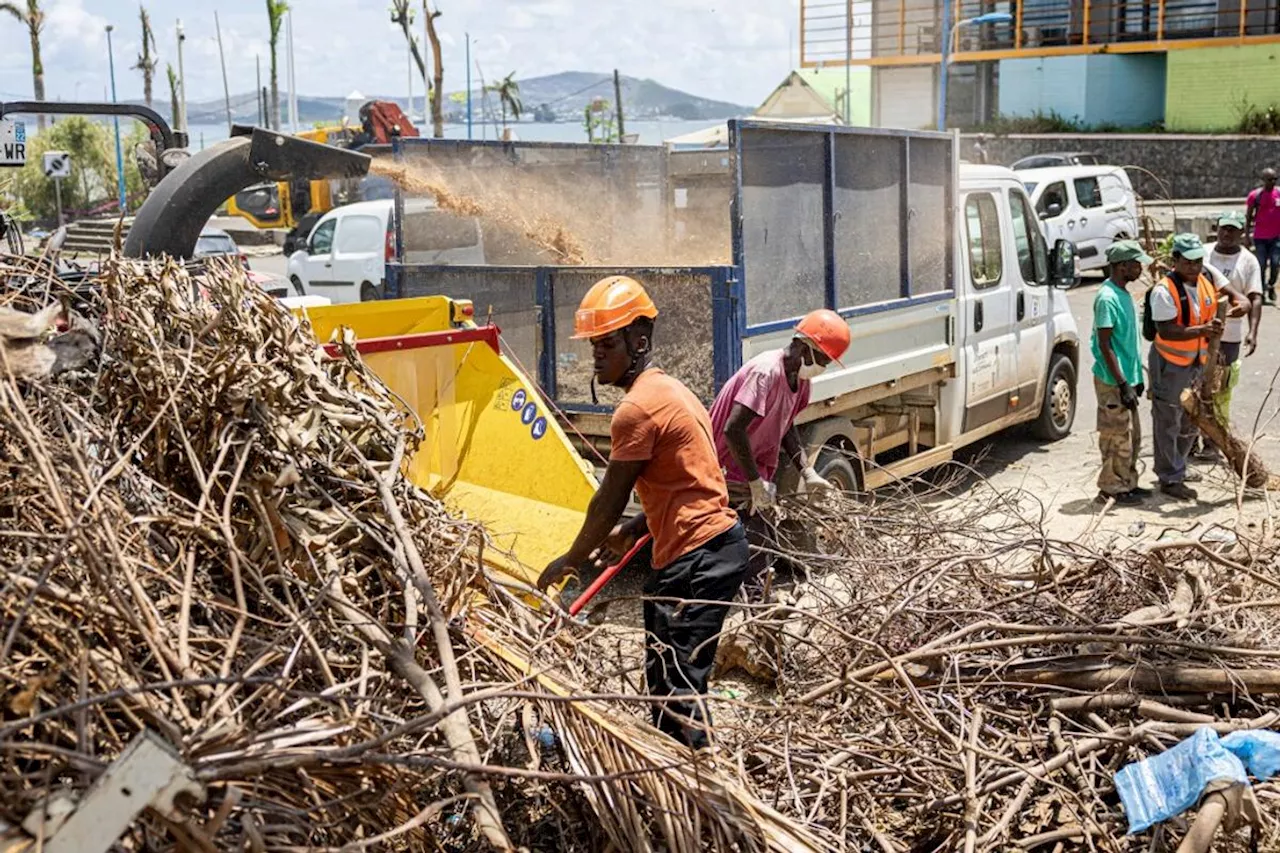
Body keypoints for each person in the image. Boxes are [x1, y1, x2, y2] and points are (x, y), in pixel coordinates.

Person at [537, 275, 747, 750]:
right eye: (593, 345)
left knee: (678, 689)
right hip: (703, 550)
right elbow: (686, 484)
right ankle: (672, 770)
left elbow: (607, 498)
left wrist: (571, 559)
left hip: (699, 557)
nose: (596, 355)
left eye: (606, 343)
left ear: (640, 340)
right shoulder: (672, 389)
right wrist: (635, 529)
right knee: (665, 673)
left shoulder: (637, 409)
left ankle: (696, 793)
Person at [708, 309, 851, 580]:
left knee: (758, 544)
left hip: (751, 469)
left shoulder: (800, 381)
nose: (823, 366)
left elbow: (786, 427)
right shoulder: (766, 373)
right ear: (805, 347)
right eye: (823, 359)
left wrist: (808, 471)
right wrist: (754, 482)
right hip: (724, 467)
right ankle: (748, 603)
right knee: (752, 544)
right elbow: (733, 429)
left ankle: (750, 599)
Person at [1147, 234, 1248, 500]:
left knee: (1192, 419)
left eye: (1198, 261)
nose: (1194, 266)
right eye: (1188, 262)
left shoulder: (1206, 280)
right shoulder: (1164, 291)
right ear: (1175, 261)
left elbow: (1237, 297)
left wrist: (1241, 305)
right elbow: (1167, 331)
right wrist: (1203, 329)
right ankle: (1169, 477)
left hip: (1197, 363)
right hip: (1170, 363)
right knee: (1168, 419)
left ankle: (1178, 467)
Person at [1091, 240, 1152, 506]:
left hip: (1127, 378)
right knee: (1115, 435)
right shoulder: (1107, 298)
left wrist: (1135, 379)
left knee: (1131, 435)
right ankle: (1111, 488)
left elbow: (1128, 342)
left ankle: (1128, 482)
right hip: (1112, 379)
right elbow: (1105, 345)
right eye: (1136, 264)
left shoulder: (1123, 293)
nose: (1140, 269)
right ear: (1122, 266)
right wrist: (1122, 382)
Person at [1203, 211, 1263, 438]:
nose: (1227, 233)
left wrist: (1253, 332)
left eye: (1232, 229)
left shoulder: (1248, 261)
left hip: (1230, 334)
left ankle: (1215, 436)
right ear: (1217, 229)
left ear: (1241, 233)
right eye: (1223, 228)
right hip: (1201, 331)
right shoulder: (1203, 254)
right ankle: (1193, 436)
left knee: (1222, 385)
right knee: (1198, 383)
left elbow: (1255, 297)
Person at [1246, 167, 1280, 304]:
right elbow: (1248, 217)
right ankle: (1261, 290)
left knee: (1275, 263)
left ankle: (1271, 284)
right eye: (1270, 179)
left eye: (1275, 179)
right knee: (1260, 265)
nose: (1272, 182)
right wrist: (1247, 235)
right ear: (1263, 180)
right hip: (1260, 237)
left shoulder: (1278, 194)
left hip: (1276, 237)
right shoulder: (1255, 196)